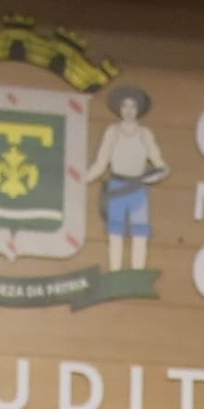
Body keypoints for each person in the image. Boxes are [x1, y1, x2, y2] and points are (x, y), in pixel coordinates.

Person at [82, 82, 167, 277]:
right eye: (124, 106)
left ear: (138, 109)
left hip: (137, 188)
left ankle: (137, 274)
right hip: (117, 187)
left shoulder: (145, 134)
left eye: (132, 106)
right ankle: (115, 274)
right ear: (119, 109)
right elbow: (100, 164)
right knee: (115, 233)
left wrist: (150, 178)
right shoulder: (112, 132)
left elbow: (159, 165)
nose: (128, 110)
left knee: (139, 233)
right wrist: (82, 180)